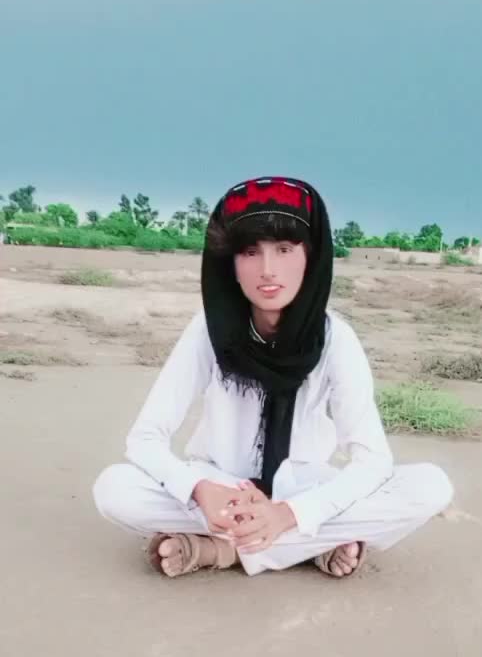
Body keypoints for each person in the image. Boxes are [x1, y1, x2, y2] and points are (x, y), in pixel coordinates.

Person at [93, 176, 453, 579]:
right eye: (250, 252)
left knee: (430, 486)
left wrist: (289, 514)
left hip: (302, 492)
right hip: (222, 492)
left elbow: (373, 461)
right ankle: (308, 547)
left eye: (284, 249)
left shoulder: (335, 338)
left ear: (310, 257)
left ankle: (221, 551)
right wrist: (199, 490)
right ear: (231, 263)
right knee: (114, 489)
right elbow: (145, 438)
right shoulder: (209, 330)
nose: (267, 270)